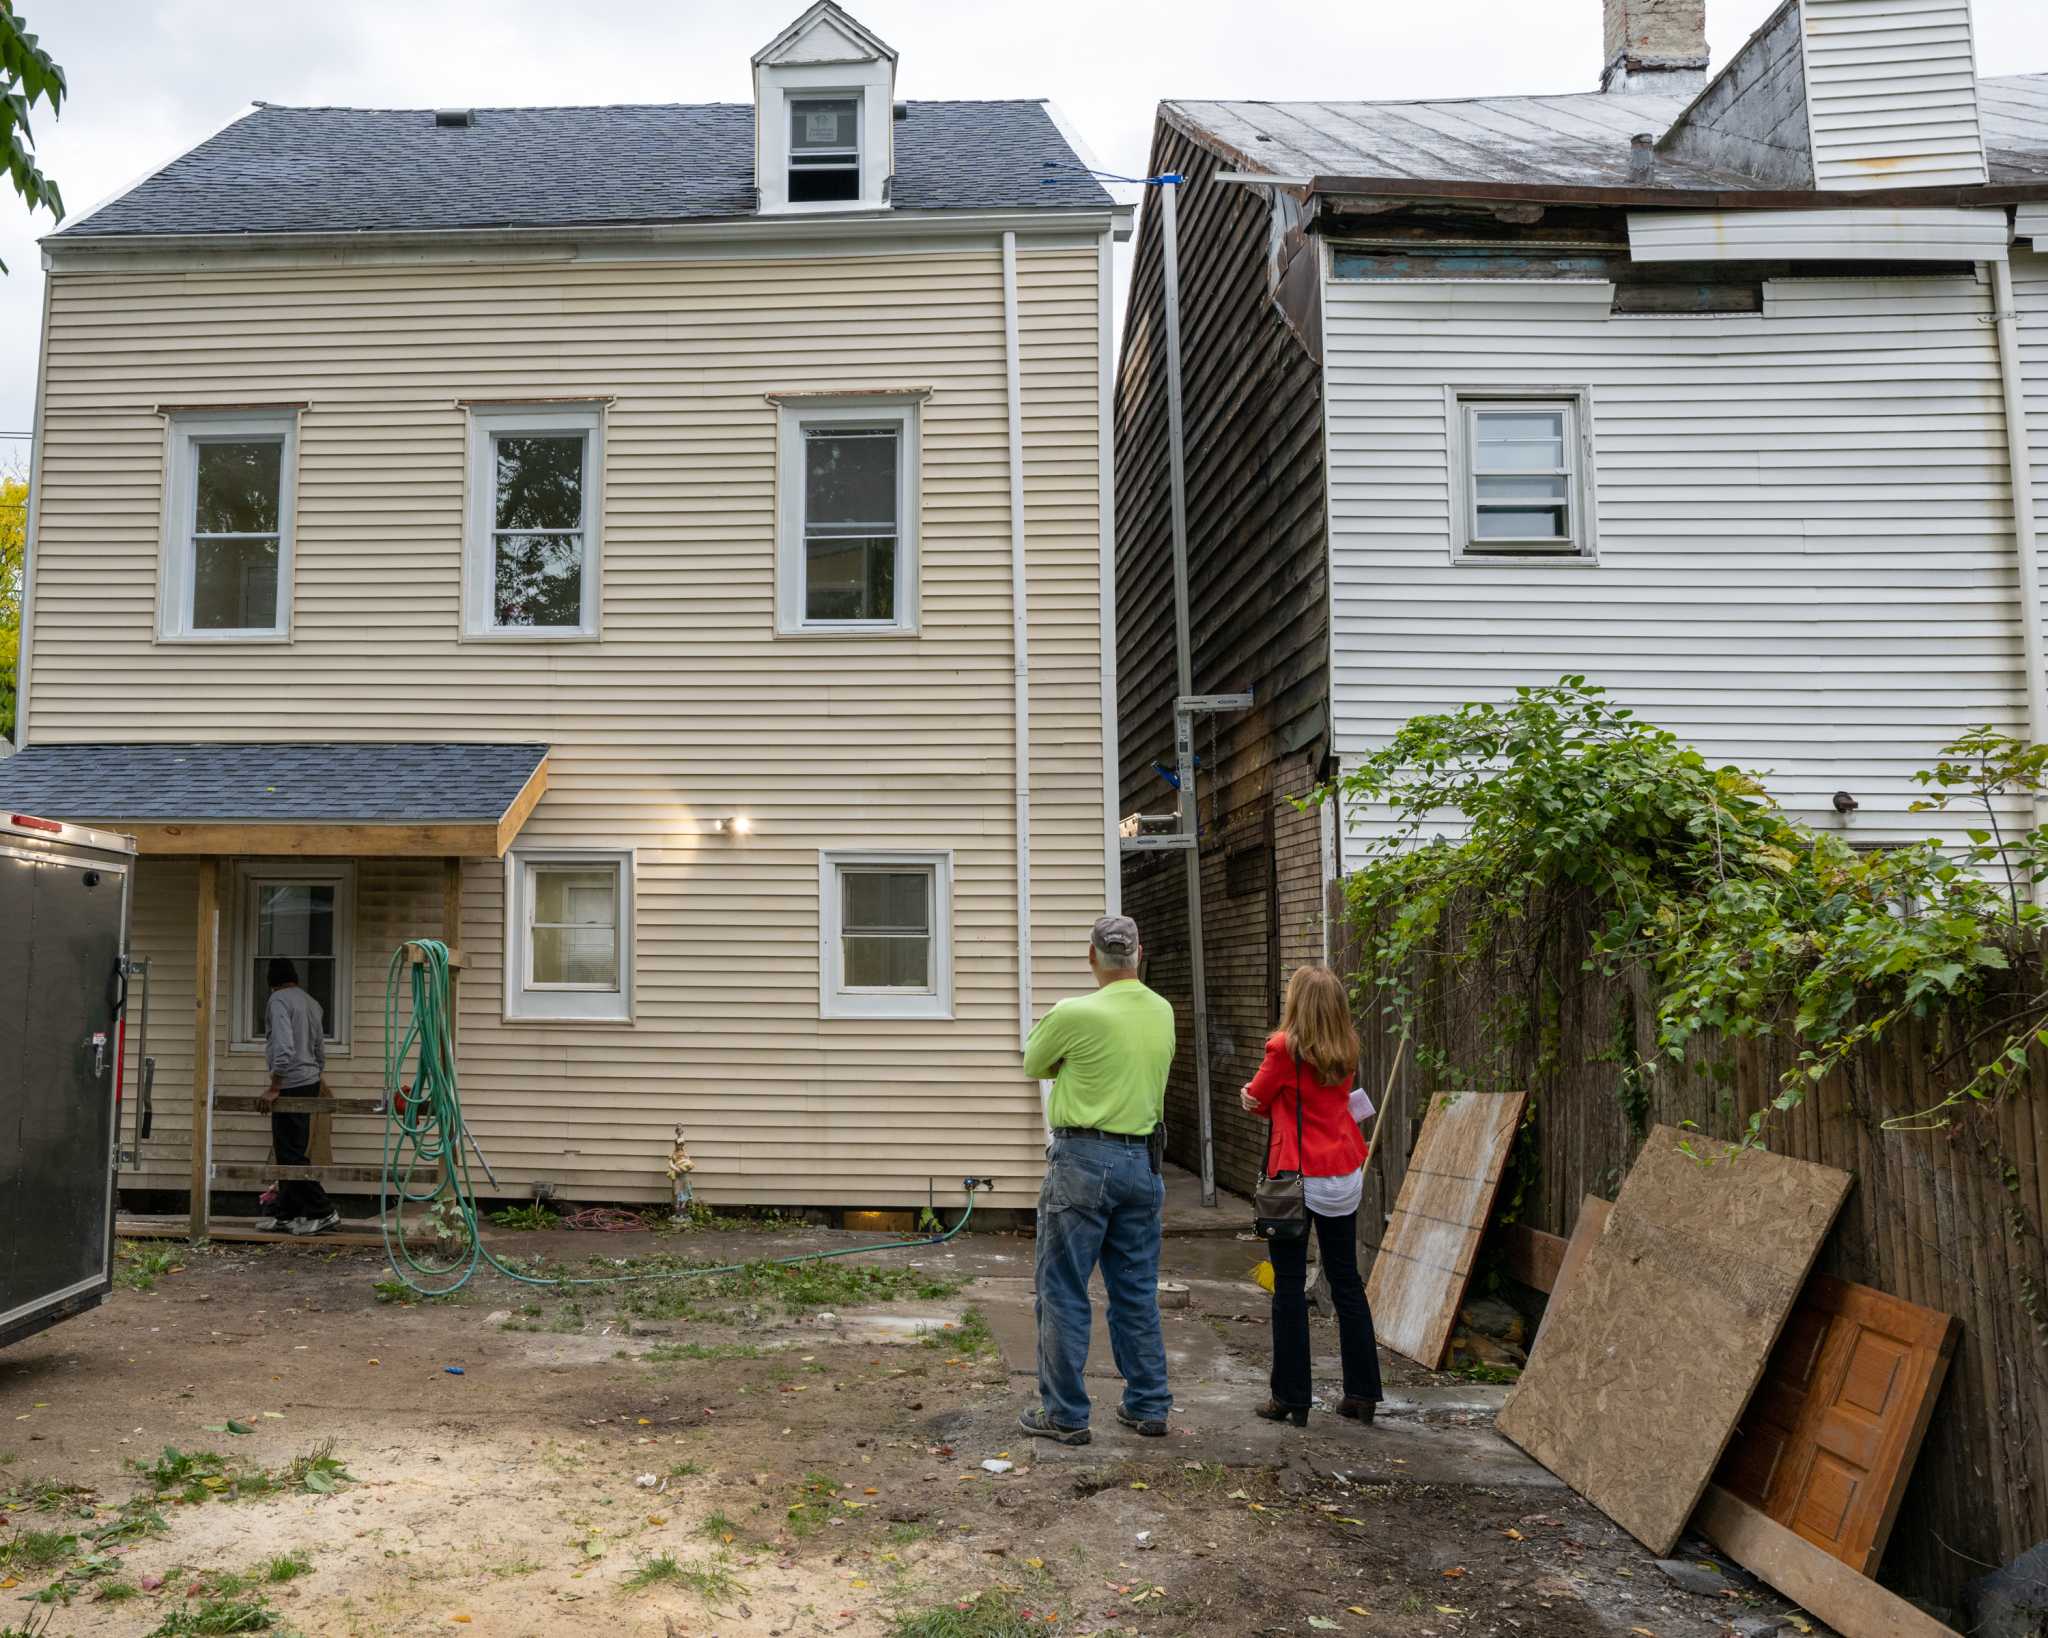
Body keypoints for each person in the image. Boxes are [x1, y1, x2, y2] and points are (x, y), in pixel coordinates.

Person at [1017, 914, 1176, 1446]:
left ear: (1092, 957)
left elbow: (1034, 1064)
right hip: (1142, 1163)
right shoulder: (1163, 1011)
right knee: (1135, 1290)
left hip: (1083, 1161)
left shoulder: (1074, 1013)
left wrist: (1072, 1065)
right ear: (1139, 953)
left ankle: (1065, 1413)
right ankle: (1148, 1404)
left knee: (1062, 1289)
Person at [1240, 964, 1383, 1427]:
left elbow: (1259, 1097)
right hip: (1344, 1171)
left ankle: (1291, 1397)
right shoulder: (1348, 1046)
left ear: (1295, 1003)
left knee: (1287, 1285)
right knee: (1346, 1281)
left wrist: (1249, 1097)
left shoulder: (1283, 1049)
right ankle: (1362, 1394)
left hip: (1298, 1178)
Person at [257, 957, 340, 1236]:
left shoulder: (278, 1001)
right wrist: (315, 1075)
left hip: (290, 1082)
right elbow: (319, 1048)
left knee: (291, 1154)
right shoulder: (310, 1002)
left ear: (271, 982)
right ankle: (287, 1211)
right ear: (296, 978)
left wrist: (275, 1086)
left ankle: (323, 1210)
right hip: (310, 1080)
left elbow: (283, 1046)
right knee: (290, 1151)